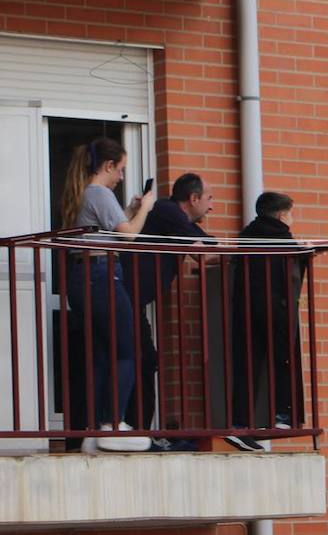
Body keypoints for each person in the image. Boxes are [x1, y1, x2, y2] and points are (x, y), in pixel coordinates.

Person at [59, 137, 155, 453]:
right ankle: (114, 423)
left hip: (81, 278)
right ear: (108, 166)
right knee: (128, 350)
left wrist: (129, 210)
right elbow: (128, 237)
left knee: (102, 353)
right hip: (101, 275)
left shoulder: (82, 192)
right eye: (121, 169)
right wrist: (147, 210)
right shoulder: (99, 192)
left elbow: (107, 227)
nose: (122, 177)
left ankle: (97, 428)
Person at [125, 173, 215, 433]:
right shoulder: (168, 211)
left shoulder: (179, 218)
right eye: (209, 199)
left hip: (132, 300)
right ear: (193, 198)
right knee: (140, 360)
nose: (212, 206)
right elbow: (202, 254)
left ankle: (137, 430)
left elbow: (208, 243)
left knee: (142, 360)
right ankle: (136, 431)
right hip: (125, 297)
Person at [227, 192, 307, 451]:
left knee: (247, 365)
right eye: (291, 214)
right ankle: (284, 416)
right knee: (284, 359)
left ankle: (240, 421)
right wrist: (304, 253)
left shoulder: (246, 236)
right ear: (283, 215)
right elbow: (293, 274)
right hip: (277, 308)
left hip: (246, 309)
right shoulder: (283, 239)